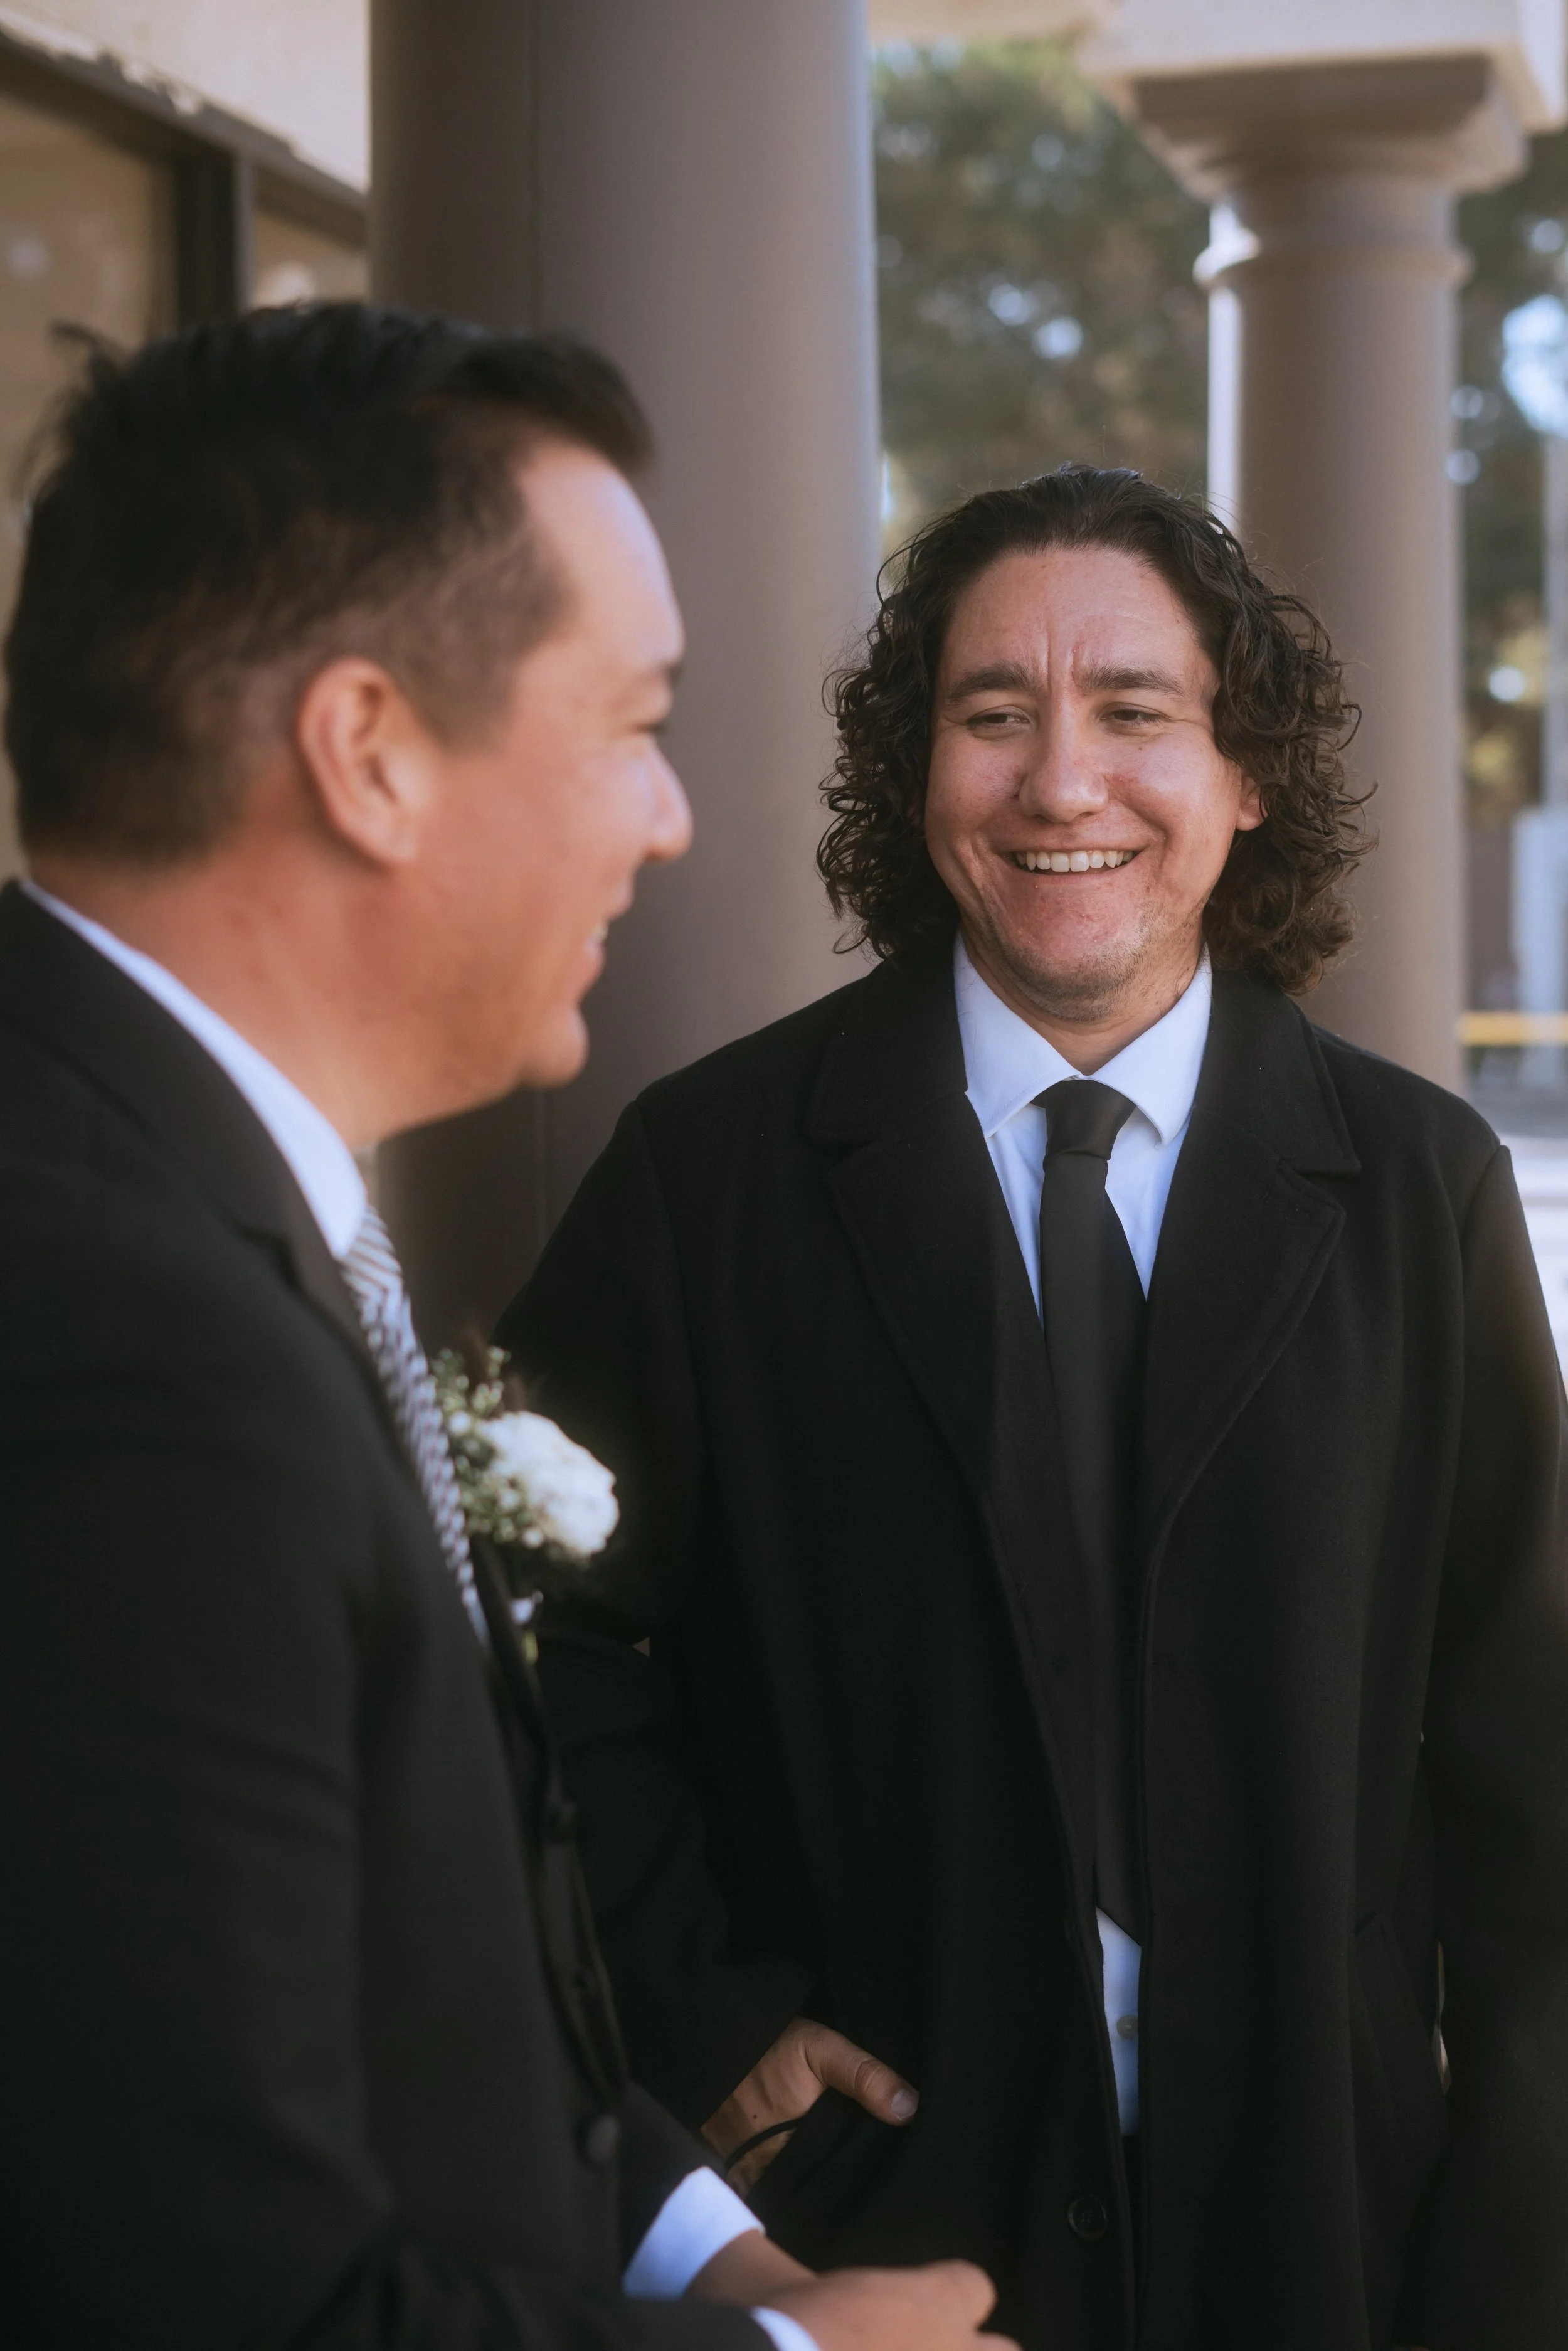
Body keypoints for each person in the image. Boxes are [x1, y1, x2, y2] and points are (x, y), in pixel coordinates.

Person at [0, 304, 1007, 2351]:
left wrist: (703, 2247)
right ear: (370, 751)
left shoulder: (188, 1202)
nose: (672, 819)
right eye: (630, 724)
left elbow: (361, 1988)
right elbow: (194, 2290)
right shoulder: (121, 1349)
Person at [498, 466, 1568, 2351]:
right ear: (919, 777)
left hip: (1333, 2238)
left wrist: (1502, 2263)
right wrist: (697, 2012)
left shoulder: (1425, 1193)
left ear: (1245, 776)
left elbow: (1532, 1786)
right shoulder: (707, 1176)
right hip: (873, 2233)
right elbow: (529, 1624)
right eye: (993, 713)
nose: (1060, 782)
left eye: (1133, 712)